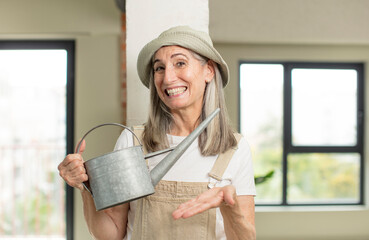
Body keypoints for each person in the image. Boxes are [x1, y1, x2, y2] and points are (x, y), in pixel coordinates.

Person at [58, 25, 256, 240]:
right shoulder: (134, 141)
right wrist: (85, 187)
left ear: (208, 70)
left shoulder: (234, 148)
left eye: (180, 63)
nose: (168, 78)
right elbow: (110, 234)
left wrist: (230, 208)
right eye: (159, 68)